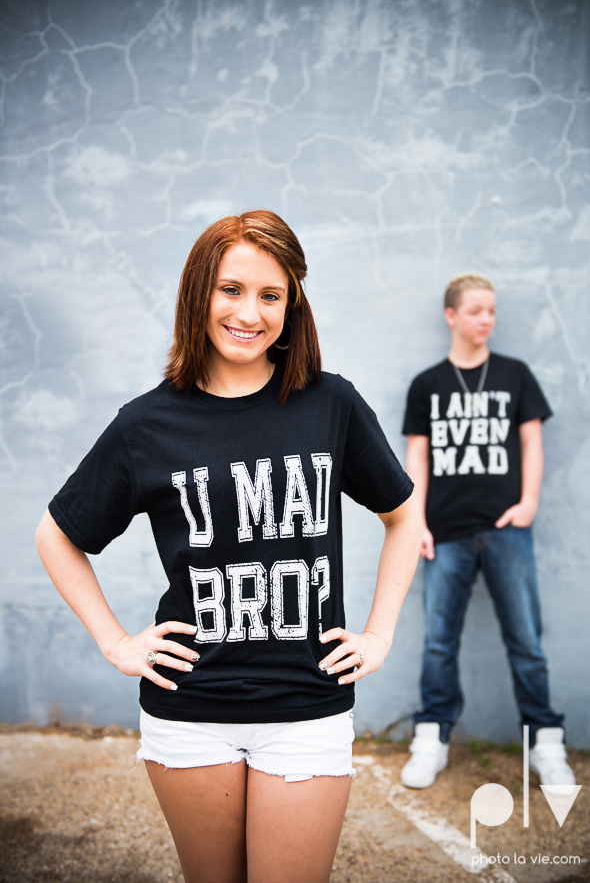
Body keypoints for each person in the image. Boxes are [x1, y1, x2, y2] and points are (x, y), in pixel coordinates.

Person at [35, 210, 422, 883]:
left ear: (291, 304)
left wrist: (379, 634)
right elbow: (58, 535)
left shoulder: (329, 405)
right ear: (198, 295)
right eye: (231, 289)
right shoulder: (146, 424)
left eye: (270, 295)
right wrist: (115, 641)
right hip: (189, 710)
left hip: (307, 702)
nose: (250, 312)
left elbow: (403, 512)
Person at [400, 272, 575, 790]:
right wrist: (418, 523)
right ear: (451, 316)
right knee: (438, 642)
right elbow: (417, 457)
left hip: (506, 530)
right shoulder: (427, 384)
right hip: (445, 533)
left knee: (526, 640)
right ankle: (430, 740)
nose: (487, 320)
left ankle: (546, 744)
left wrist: (528, 504)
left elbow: (532, 443)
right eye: (477, 311)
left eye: (492, 311)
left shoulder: (515, 374)